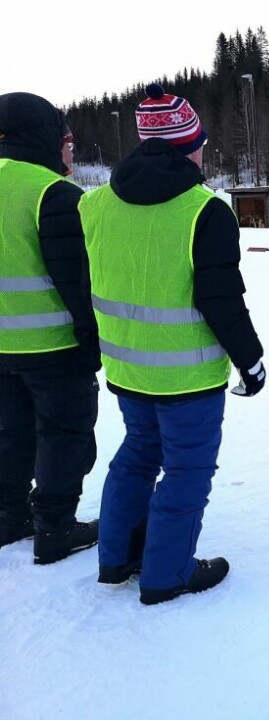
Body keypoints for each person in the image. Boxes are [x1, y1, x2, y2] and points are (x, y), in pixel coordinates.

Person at [79, 83, 266, 605]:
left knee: (137, 456)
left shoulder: (94, 206)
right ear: (189, 144)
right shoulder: (204, 211)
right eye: (200, 141)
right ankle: (167, 575)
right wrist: (250, 361)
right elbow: (221, 299)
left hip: (127, 370)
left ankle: (117, 559)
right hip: (188, 377)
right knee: (186, 469)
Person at [0, 92, 100, 563]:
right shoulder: (52, 194)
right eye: (65, 138)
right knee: (64, 435)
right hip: (52, 347)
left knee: (9, 434)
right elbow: (78, 282)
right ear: (41, 137)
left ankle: (9, 516)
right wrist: (91, 343)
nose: (70, 149)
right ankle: (55, 528)